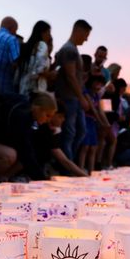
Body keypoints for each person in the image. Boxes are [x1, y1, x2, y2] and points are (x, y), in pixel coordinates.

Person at [52, 19, 91, 164]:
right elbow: (70, 76)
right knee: (70, 133)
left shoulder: (72, 49)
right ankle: (66, 165)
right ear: (78, 30)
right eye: (86, 35)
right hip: (69, 97)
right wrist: (81, 97)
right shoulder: (69, 50)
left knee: (79, 131)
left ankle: (68, 162)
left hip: (73, 97)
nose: (86, 39)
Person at [16, 20, 54, 96]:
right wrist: (51, 74)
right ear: (42, 32)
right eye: (48, 32)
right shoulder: (42, 45)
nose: (49, 36)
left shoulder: (26, 47)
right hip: (35, 91)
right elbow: (39, 70)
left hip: (22, 87)